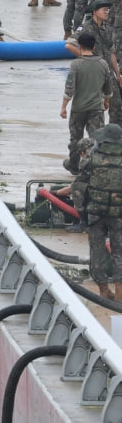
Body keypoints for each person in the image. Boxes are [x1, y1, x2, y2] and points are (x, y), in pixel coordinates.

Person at [62, 32, 112, 177]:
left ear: (79, 46)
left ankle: (74, 165)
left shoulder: (76, 64)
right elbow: (108, 88)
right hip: (97, 108)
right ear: (94, 46)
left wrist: (64, 107)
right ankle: (96, 165)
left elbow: (69, 88)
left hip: (78, 108)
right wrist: (107, 101)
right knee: (97, 138)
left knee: (75, 139)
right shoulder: (103, 64)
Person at [82, 124, 122, 299]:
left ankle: (104, 291)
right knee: (119, 252)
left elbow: (81, 171)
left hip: (96, 213)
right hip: (118, 214)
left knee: (97, 250)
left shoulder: (93, 157)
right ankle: (120, 293)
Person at [69, 0, 121, 124]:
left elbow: (111, 52)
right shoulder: (85, 28)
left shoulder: (107, 28)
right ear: (95, 12)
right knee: (96, 111)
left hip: (108, 73)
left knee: (117, 107)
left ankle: (115, 137)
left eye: (107, 10)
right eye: (104, 10)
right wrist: (87, 58)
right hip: (94, 75)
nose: (106, 12)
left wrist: (118, 75)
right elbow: (69, 45)